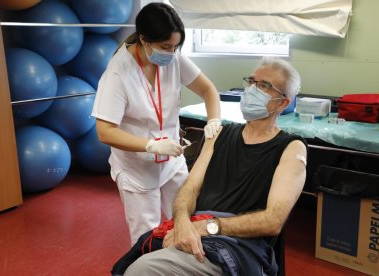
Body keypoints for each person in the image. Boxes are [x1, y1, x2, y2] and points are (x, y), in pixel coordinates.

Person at [117, 57, 308, 275]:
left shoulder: (291, 149)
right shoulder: (219, 135)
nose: (252, 89)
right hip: (197, 231)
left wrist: (207, 227)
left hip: (238, 244)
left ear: (283, 103)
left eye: (264, 86)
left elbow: (273, 221)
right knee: (138, 260)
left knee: (141, 271)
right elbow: (189, 189)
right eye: (251, 82)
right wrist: (182, 223)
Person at [91, 2, 221, 246]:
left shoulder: (172, 58)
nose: (171, 53)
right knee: (147, 239)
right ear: (144, 39)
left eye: (175, 47)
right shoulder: (118, 73)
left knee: (188, 222)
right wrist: (150, 145)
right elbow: (104, 132)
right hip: (137, 170)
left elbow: (208, 89)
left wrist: (214, 119)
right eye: (166, 47)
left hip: (172, 162)